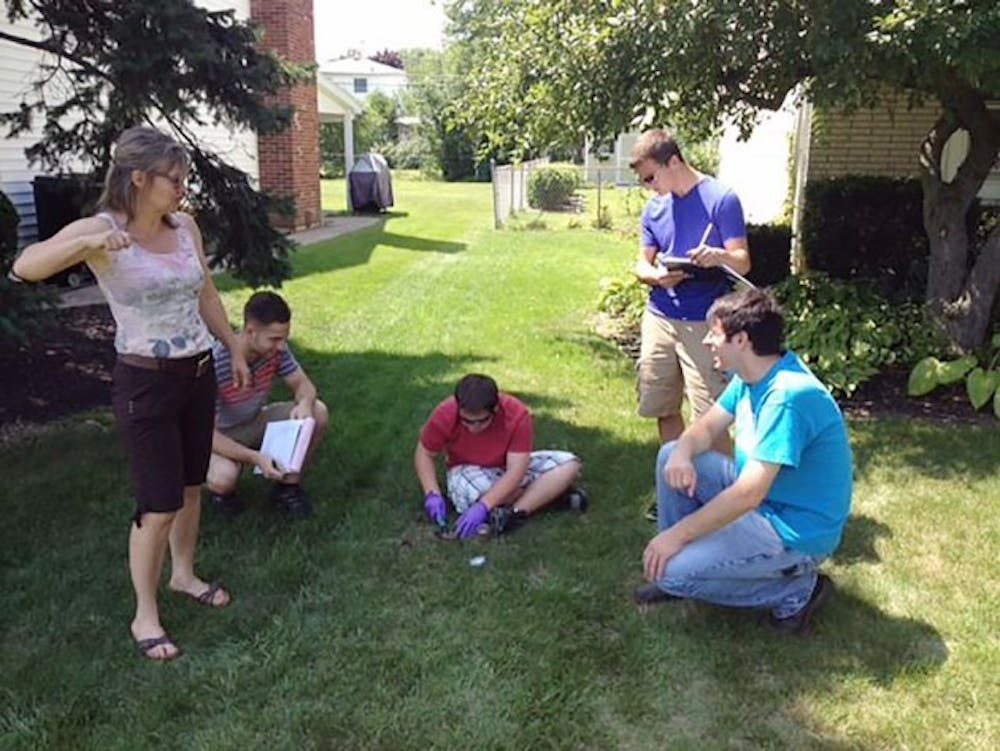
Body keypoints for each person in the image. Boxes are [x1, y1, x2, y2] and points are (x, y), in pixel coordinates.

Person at [13, 126, 250, 661]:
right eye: (175, 178)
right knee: (157, 503)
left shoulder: (185, 225)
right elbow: (24, 267)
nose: (183, 188)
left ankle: (183, 575)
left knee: (192, 487)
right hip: (146, 382)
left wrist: (233, 345)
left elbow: (205, 292)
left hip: (196, 373)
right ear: (139, 178)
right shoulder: (102, 229)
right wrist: (87, 243)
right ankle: (144, 614)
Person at [635, 289, 853, 633]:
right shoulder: (751, 377)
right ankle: (672, 568)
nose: (707, 341)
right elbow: (705, 429)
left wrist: (677, 535)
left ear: (741, 340)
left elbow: (748, 494)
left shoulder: (787, 397)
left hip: (794, 532)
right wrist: (681, 452)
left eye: (714, 334)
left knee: (676, 572)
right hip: (765, 505)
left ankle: (799, 589)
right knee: (669, 454)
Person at [629, 128, 751, 453]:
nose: (649, 187)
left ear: (673, 161)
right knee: (663, 406)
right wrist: (655, 276)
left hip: (705, 322)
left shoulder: (721, 199)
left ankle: (721, 494)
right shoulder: (655, 208)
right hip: (660, 317)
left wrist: (718, 256)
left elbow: (742, 263)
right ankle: (675, 480)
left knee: (711, 414)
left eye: (651, 177)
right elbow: (641, 264)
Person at [414, 373, 587, 539]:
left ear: (495, 409)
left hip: (509, 468)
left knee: (570, 465)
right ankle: (544, 498)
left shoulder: (517, 414)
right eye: (466, 421)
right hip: (468, 471)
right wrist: (432, 494)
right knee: (468, 491)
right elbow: (424, 453)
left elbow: (516, 470)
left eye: (481, 421)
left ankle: (512, 514)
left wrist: (484, 506)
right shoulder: (445, 413)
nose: (473, 427)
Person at [205, 290, 328, 518]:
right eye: (275, 339)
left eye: (284, 338)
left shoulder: (276, 351)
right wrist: (253, 458)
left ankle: (288, 488)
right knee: (224, 477)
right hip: (217, 434)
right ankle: (223, 494)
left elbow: (304, 385)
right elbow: (205, 434)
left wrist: (305, 403)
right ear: (250, 332)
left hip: (253, 420)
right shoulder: (215, 362)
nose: (281, 346)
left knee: (317, 412)